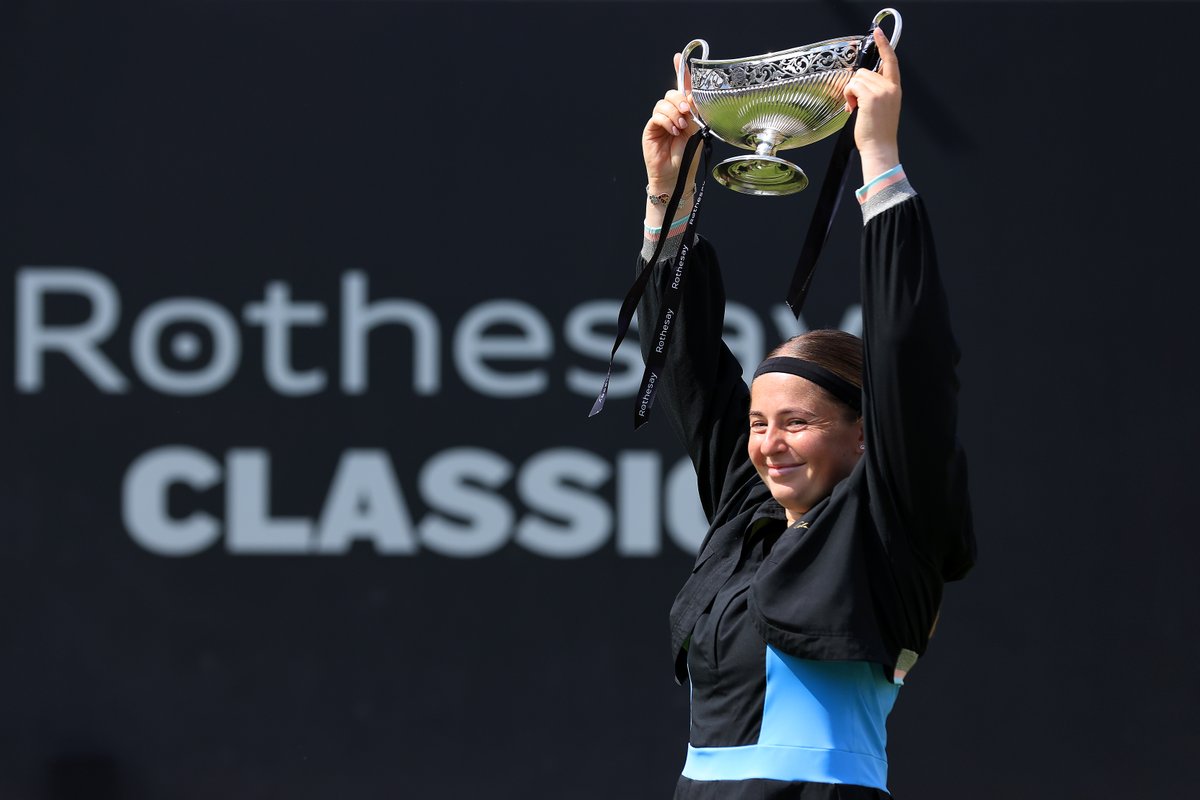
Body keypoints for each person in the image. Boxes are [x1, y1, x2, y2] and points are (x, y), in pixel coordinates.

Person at [636, 28, 976, 799]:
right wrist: (668, 196)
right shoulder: (745, 512)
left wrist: (879, 158)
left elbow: (912, 356)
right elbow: (688, 369)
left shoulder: (893, 522)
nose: (768, 444)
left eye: (797, 422)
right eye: (759, 423)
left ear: (864, 435)